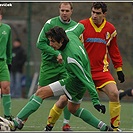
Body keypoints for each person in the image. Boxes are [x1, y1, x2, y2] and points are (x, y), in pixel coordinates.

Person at [0, 23, 113, 132]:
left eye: (53, 41)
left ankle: (15, 122)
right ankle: (104, 128)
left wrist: (95, 100)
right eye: (49, 40)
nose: (50, 44)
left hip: (74, 83)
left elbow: (86, 78)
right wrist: (89, 22)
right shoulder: (70, 33)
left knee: (40, 93)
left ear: (61, 40)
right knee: (74, 109)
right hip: (78, 83)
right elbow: (81, 26)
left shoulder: (71, 58)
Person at [79, 2, 125, 131]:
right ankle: (50, 126)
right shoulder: (82, 25)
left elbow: (114, 50)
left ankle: (115, 128)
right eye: (93, 12)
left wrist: (119, 69)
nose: (94, 15)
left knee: (114, 94)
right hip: (83, 71)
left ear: (104, 14)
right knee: (64, 99)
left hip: (102, 71)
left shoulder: (110, 29)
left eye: (98, 13)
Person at [36, 2, 77, 131]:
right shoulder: (50, 23)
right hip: (49, 65)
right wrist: (56, 54)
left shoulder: (76, 26)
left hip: (65, 66)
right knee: (38, 94)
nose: (64, 13)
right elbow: (40, 43)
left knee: (67, 94)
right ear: (59, 10)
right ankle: (20, 121)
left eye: (67, 10)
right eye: (62, 10)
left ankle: (65, 124)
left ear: (71, 11)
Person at [0, 8, 13, 120]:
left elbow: (9, 47)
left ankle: (7, 116)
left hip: (2, 62)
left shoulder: (6, 28)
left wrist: (9, 62)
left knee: (6, 87)